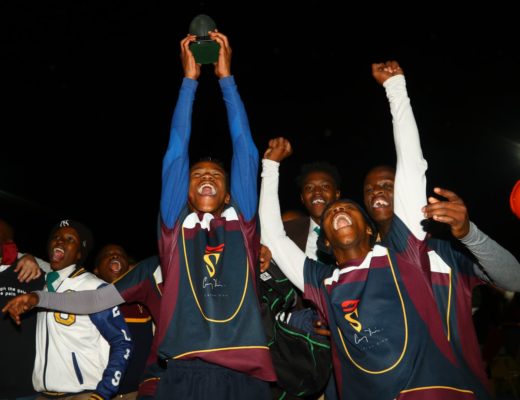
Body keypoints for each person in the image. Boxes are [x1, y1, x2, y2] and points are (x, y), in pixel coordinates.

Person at [3, 31, 276, 400]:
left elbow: (245, 149)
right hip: (185, 374)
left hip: (246, 378)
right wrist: (189, 82)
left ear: (229, 194)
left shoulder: (241, 228)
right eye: (197, 175)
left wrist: (227, 78)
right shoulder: (174, 232)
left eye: (216, 175)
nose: (206, 177)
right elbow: (175, 154)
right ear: (185, 192)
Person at [259, 61, 520, 399]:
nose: (339, 209)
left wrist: (396, 88)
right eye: (333, 212)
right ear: (326, 241)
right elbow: (275, 238)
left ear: (370, 231)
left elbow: (411, 168)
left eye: (349, 208)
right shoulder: (323, 282)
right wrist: (270, 167)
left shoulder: (404, 253)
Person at [261, 161, 341, 399]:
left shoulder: (356, 230)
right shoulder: (286, 231)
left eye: (325, 186)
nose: (317, 192)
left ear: (337, 193)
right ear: (302, 198)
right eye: (309, 188)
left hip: (347, 338)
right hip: (298, 344)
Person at [33, 219, 132, 400]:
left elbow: (122, 342)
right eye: (56, 237)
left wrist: (104, 393)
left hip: (82, 394)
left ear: (79, 253)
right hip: (43, 395)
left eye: (70, 239)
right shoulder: (44, 286)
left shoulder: (95, 287)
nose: (60, 240)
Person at [93, 244, 154, 400]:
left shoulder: (143, 299)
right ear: (96, 270)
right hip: (100, 393)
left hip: (139, 393)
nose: (115, 255)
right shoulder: (91, 301)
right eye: (107, 254)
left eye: (120, 254)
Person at [0, 219, 46, 400]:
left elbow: (62, 275)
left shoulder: (30, 273)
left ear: (8, 244)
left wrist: (29, 257)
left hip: (23, 388)